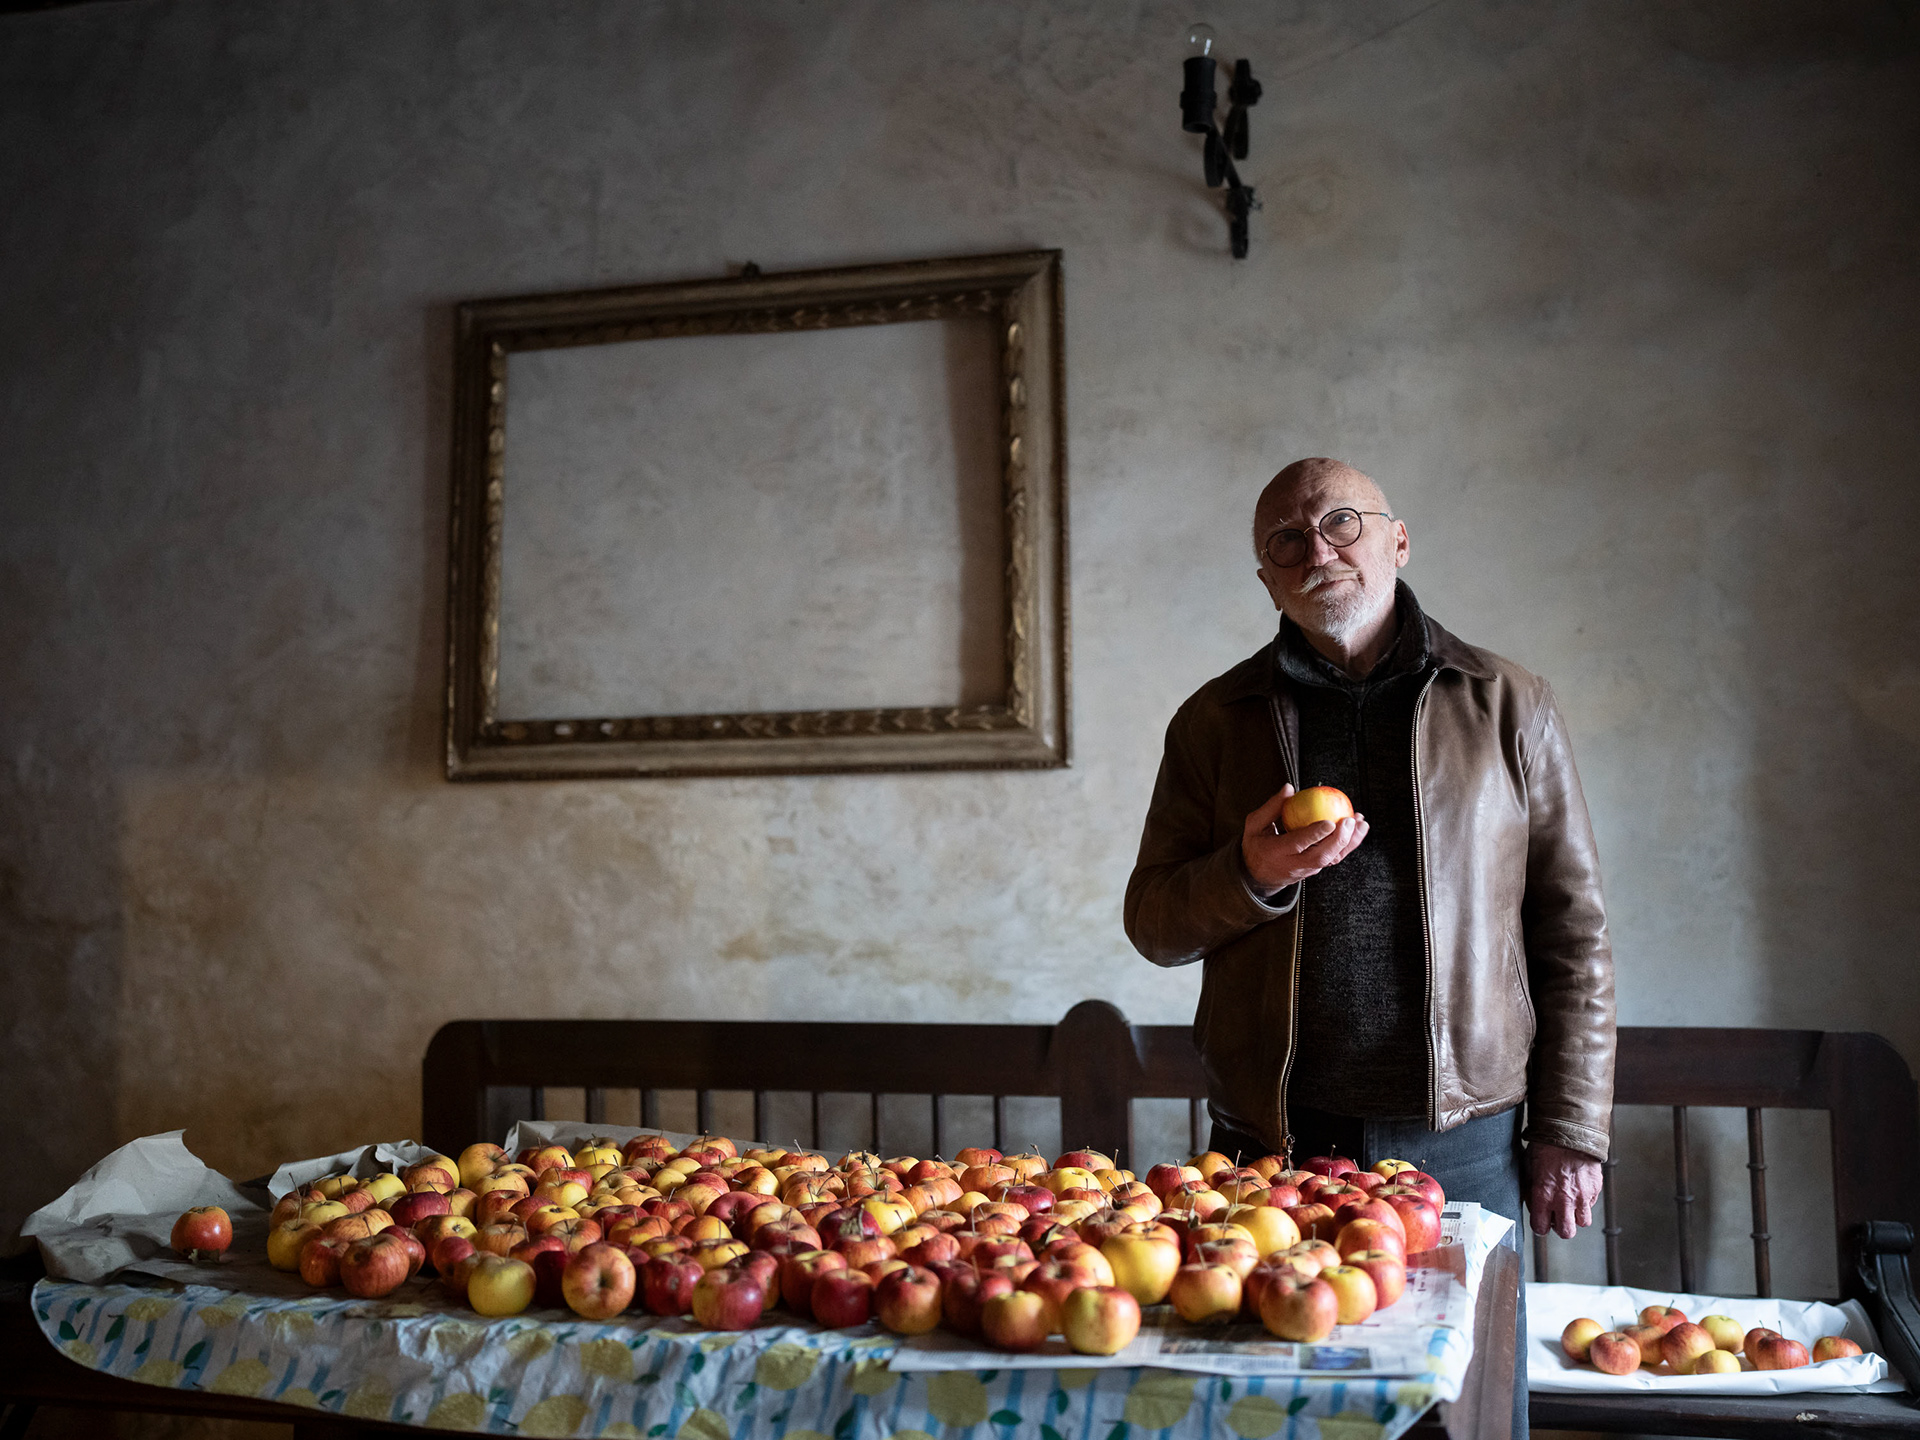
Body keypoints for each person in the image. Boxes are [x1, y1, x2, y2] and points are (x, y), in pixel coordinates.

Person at [1125, 457, 1614, 1436]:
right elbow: (1154, 921)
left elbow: (1572, 925)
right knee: (1276, 1414)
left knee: (1466, 1415)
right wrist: (1250, 872)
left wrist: (1572, 1124)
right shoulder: (1214, 722)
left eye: (1340, 522)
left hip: (1465, 1139)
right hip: (1273, 1144)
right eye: (1286, 540)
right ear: (1266, 579)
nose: (1316, 549)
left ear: (1398, 540)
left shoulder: (1507, 702)